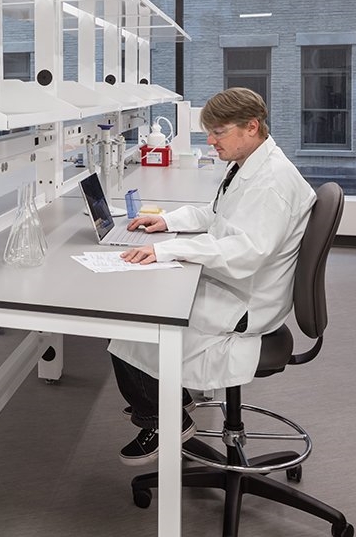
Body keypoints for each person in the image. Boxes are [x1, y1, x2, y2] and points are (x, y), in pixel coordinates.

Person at [109, 87, 315, 464]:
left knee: (134, 322)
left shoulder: (272, 183)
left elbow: (245, 253)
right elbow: (216, 215)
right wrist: (168, 221)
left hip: (248, 301)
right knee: (149, 297)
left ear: (251, 126)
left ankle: (162, 418)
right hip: (241, 284)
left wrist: (166, 250)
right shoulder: (249, 164)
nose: (211, 141)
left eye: (218, 132)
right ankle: (169, 399)